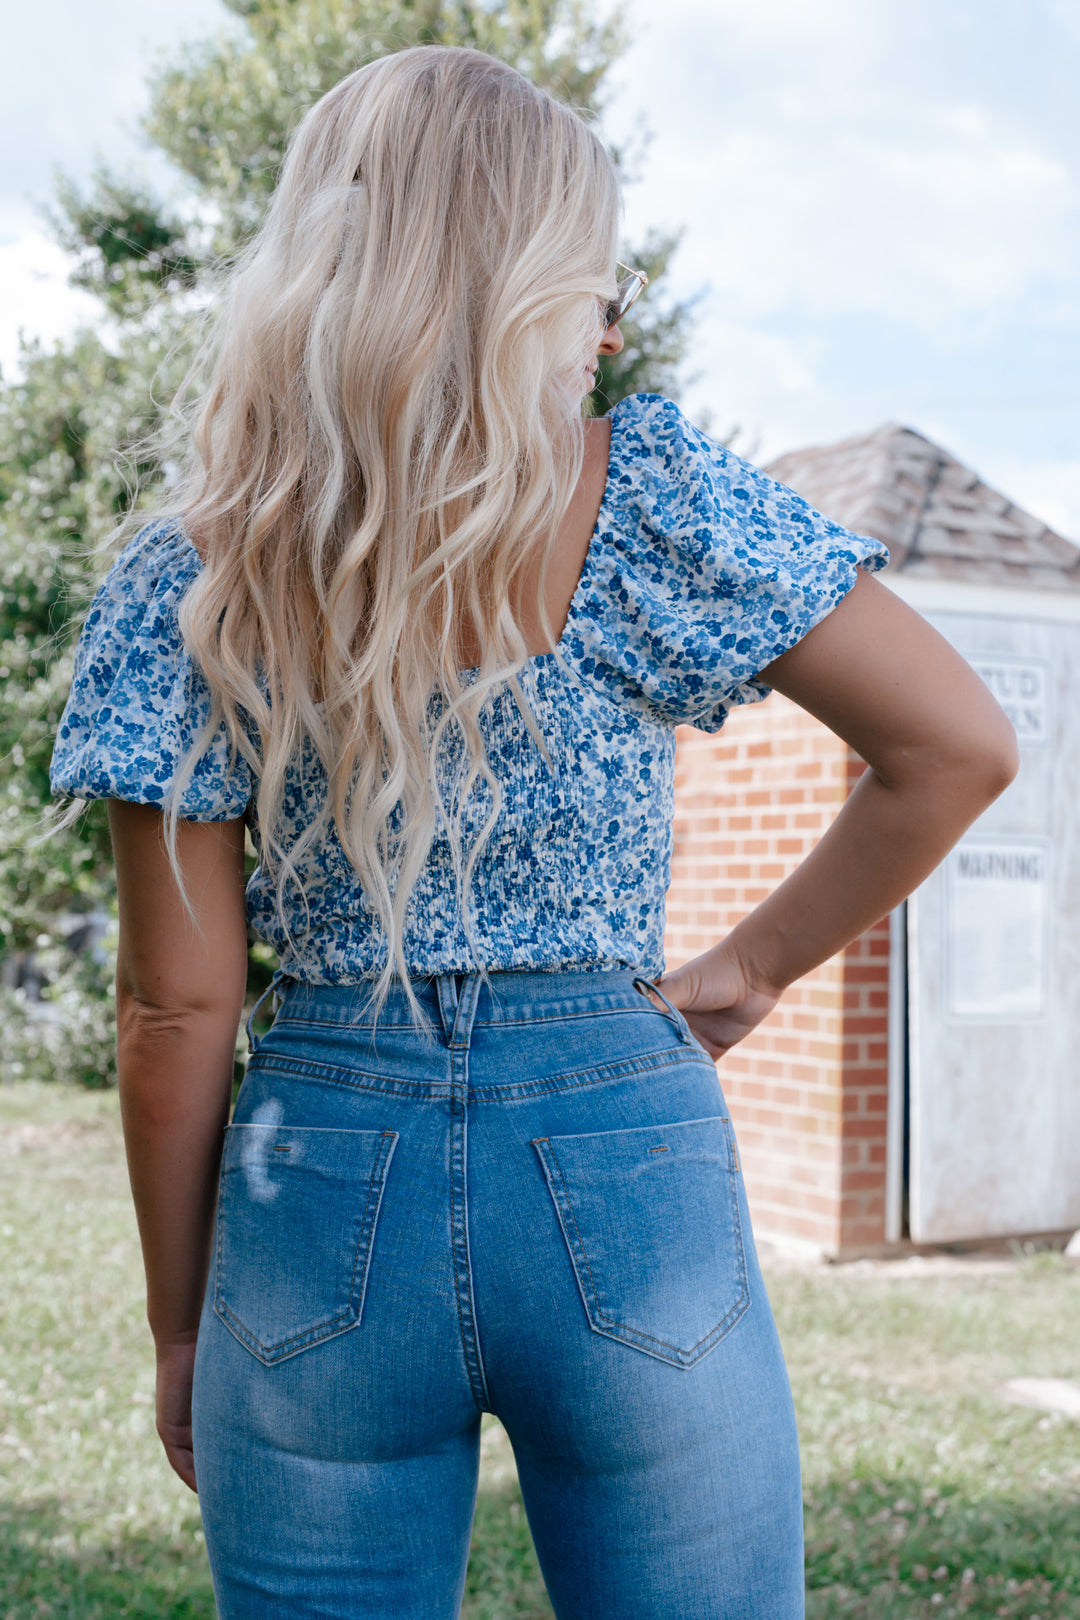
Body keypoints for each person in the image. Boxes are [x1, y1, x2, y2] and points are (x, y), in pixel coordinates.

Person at [48, 43, 1018, 1620]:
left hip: (319, 1177)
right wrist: (756, 968)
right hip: (622, 1144)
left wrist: (181, 1322)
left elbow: (174, 1010)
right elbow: (958, 747)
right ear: (550, 286)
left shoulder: (192, 572)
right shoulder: (649, 499)